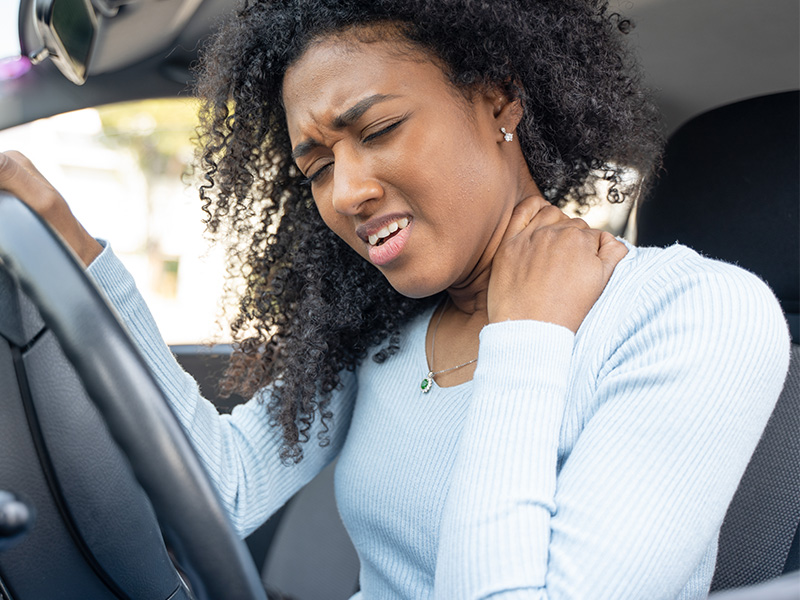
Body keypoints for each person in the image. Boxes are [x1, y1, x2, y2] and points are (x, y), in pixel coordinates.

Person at [0, 0, 790, 598]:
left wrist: (526, 337)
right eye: (315, 168)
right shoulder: (387, 326)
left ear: (499, 99)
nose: (345, 192)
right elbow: (222, 488)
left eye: (376, 129)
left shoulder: (694, 313)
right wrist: (77, 249)